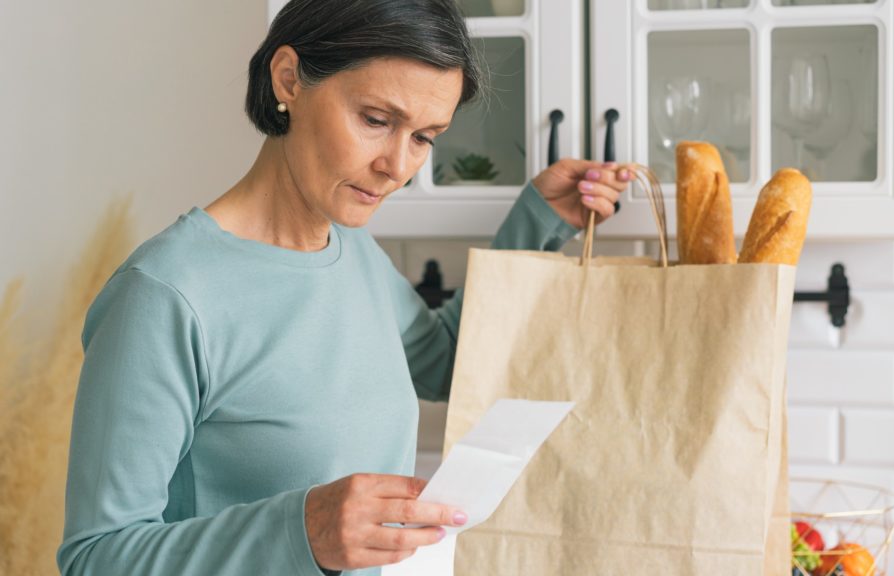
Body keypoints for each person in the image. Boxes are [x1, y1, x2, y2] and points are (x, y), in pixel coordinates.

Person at [57, 1, 631, 574]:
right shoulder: (163, 296)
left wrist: (536, 220)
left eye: (425, 137)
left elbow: (446, 363)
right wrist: (300, 530)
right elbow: (95, 556)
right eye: (376, 120)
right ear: (289, 80)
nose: (398, 167)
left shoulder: (351, 250)